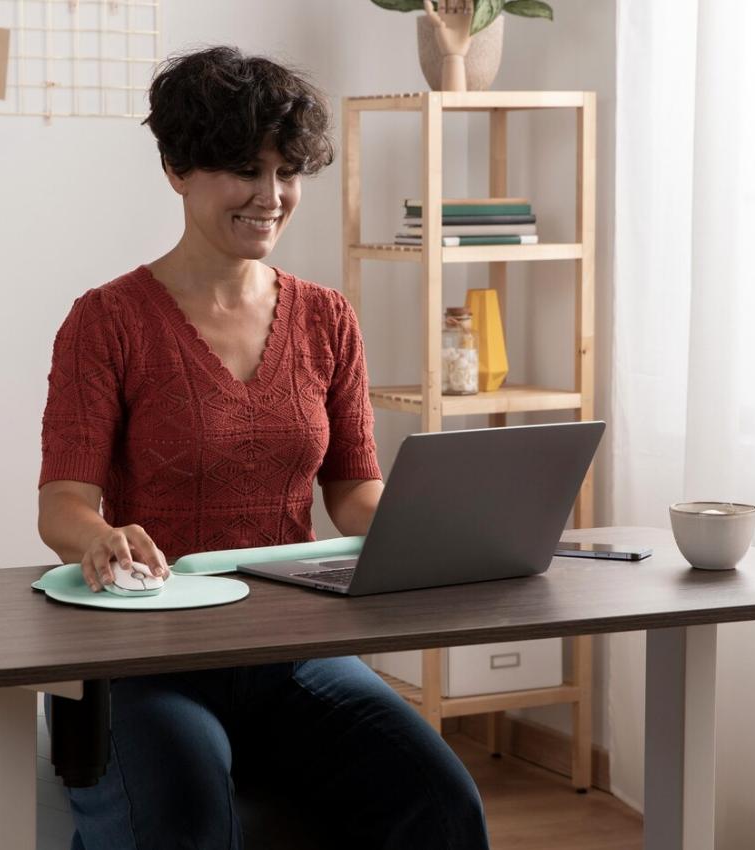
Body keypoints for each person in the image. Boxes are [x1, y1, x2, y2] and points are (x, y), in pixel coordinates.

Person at [36, 45, 491, 850]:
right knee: (182, 824)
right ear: (177, 169)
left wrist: (435, 530)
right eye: (244, 170)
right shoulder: (105, 322)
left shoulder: (328, 318)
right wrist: (101, 539)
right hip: (147, 661)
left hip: (294, 649)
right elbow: (62, 505)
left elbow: (353, 491)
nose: (271, 197)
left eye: (288, 172)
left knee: (442, 803)